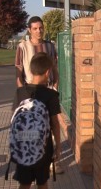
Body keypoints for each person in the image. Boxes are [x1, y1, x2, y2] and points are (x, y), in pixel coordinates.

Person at [10, 52, 62, 189]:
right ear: (48, 72)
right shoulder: (50, 95)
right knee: (42, 181)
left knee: (24, 184)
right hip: (42, 148)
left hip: (23, 146)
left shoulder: (20, 92)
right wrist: (58, 146)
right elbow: (55, 123)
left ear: (31, 70)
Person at [15, 16, 64, 174]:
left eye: (41, 28)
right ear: (29, 30)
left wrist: (55, 84)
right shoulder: (22, 47)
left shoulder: (49, 46)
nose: (39, 31)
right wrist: (23, 93)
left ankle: (53, 160)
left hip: (48, 90)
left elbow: (54, 66)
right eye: (35, 28)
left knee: (51, 124)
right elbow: (18, 72)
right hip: (30, 90)